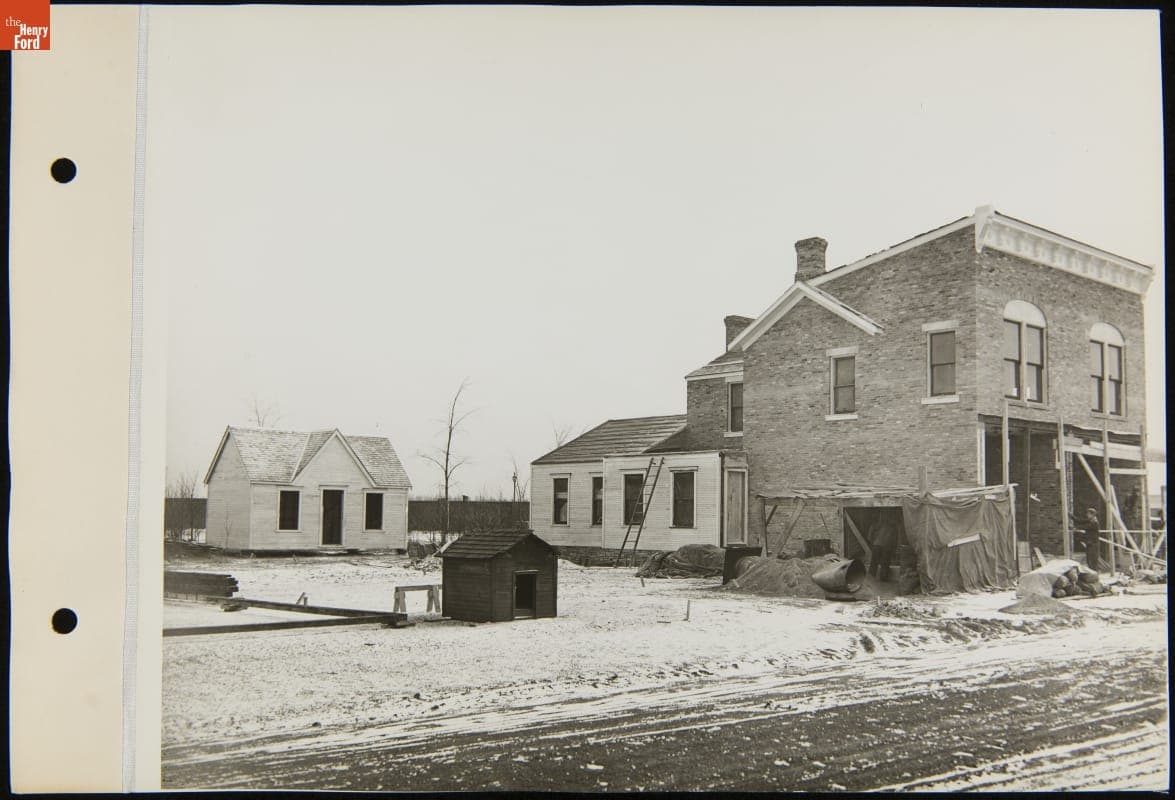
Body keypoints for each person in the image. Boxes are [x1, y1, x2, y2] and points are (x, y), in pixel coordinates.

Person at [867, 510, 898, 580]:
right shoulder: (893, 527)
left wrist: (873, 542)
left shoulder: (877, 524)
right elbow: (895, 540)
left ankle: (870, 578)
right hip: (886, 546)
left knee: (874, 563)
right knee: (885, 562)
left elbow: (869, 536)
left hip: (878, 545)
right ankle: (883, 578)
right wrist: (894, 549)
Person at [1079, 507, 1103, 573]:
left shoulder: (1094, 522)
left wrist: (1075, 527)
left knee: (1093, 560)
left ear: (1092, 515)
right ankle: (1092, 573)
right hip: (1090, 543)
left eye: (1088, 514)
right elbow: (1081, 521)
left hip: (1093, 544)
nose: (1087, 515)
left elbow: (1086, 527)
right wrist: (1071, 516)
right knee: (1089, 559)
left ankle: (1094, 574)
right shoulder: (1091, 520)